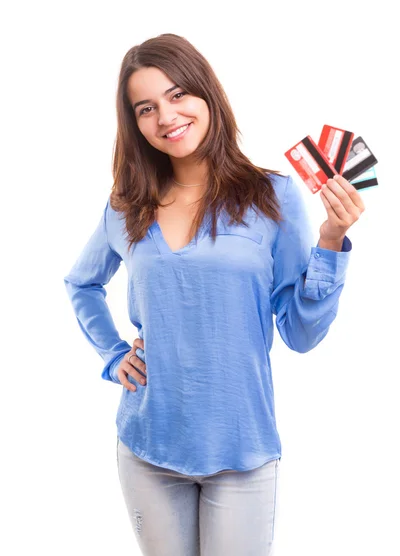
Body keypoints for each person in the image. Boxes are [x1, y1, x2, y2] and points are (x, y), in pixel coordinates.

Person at [63, 33, 365, 556]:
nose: (166, 116)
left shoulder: (275, 197)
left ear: (207, 95)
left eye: (178, 94)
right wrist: (113, 356)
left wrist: (331, 240)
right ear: (134, 123)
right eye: (146, 107)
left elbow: (299, 332)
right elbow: (82, 283)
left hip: (242, 450)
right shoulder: (126, 206)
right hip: (148, 444)